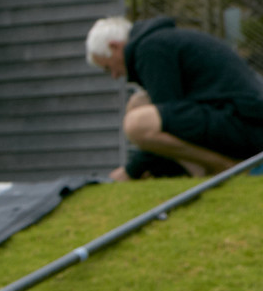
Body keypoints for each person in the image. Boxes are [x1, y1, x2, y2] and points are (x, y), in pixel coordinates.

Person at [85, 15, 263, 180]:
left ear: (115, 46)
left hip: (246, 125)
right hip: (238, 119)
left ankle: (225, 167)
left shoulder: (151, 48)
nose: (114, 75)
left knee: (137, 123)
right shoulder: (160, 41)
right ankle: (199, 170)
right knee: (139, 104)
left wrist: (131, 171)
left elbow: (168, 124)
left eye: (109, 68)